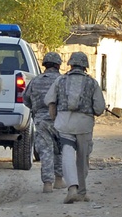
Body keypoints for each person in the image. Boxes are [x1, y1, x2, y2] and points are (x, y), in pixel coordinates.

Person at [44, 51, 105, 203]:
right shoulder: (92, 83)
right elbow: (99, 108)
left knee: (67, 154)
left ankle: (72, 189)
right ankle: (82, 192)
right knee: (83, 158)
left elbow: (50, 101)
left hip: (65, 123)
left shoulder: (60, 80)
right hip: (84, 125)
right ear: (85, 66)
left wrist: (55, 117)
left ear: (70, 64)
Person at [23, 51, 65, 193]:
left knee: (46, 151)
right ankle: (59, 180)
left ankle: (47, 184)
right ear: (58, 65)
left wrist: (38, 111)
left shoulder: (35, 80)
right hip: (60, 120)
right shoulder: (63, 80)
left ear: (45, 65)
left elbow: (26, 99)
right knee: (60, 150)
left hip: (41, 121)